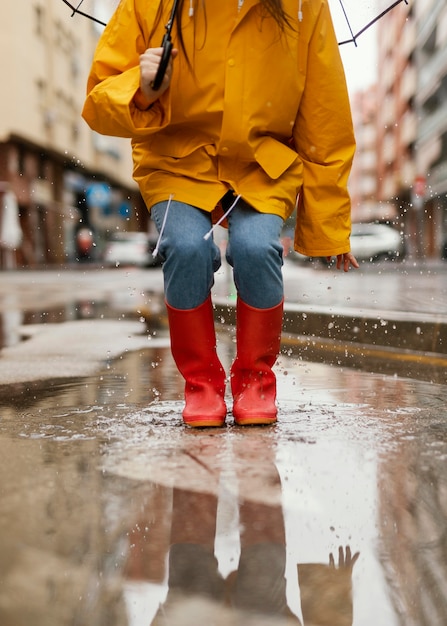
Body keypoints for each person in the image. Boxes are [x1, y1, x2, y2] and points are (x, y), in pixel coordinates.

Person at [82, 0, 359, 428]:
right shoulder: (153, 3)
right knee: (185, 246)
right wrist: (142, 88)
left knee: (256, 247)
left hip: (261, 163)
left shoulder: (303, 7)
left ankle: (255, 381)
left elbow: (326, 117)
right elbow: (99, 96)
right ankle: (202, 384)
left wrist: (328, 224)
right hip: (176, 160)